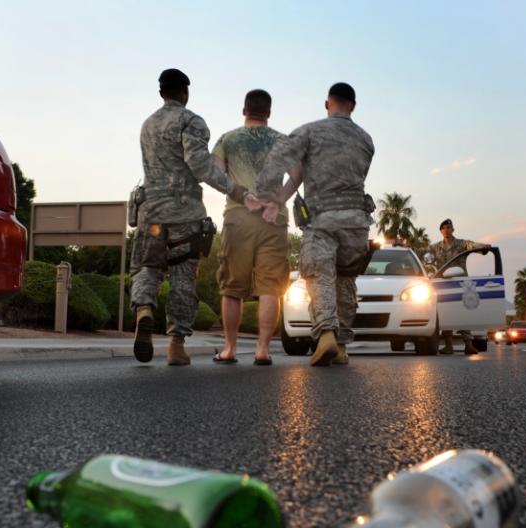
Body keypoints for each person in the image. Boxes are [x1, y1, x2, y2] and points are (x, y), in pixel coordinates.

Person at [131, 69, 253, 365]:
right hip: (184, 214)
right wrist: (238, 191)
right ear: (185, 93)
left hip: (151, 213)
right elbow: (201, 167)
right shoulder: (190, 121)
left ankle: (144, 310)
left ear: (161, 93)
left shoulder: (148, 124)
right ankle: (176, 345)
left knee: (147, 267)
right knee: (183, 277)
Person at [254, 82, 375, 367]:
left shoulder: (310, 130)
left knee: (319, 276)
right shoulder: (366, 140)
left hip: (322, 220)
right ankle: (342, 345)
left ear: (327, 104)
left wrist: (269, 195)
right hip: (357, 223)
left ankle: (326, 335)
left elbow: (276, 160)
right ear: (353, 107)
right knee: (346, 280)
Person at [211, 89, 290, 366]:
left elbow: (214, 173)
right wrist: (278, 201)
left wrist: (241, 194)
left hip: (239, 216)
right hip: (274, 218)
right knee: (270, 287)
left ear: (244, 110)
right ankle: (263, 350)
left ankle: (230, 348)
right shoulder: (283, 141)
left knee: (232, 287)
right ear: (269, 113)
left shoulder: (228, 139)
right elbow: (298, 174)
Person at [428, 218, 491, 355]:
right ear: (440, 231)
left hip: (461, 283)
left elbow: (472, 245)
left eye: (449, 227)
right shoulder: (435, 247)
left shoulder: (461, 244)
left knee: (464, 313)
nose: (446, 230)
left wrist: (483, 246)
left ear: (453, 230)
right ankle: (448, 345)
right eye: (444, 228)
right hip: (443, 284)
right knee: (446, 314)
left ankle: (468, 345)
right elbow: (421, 251)